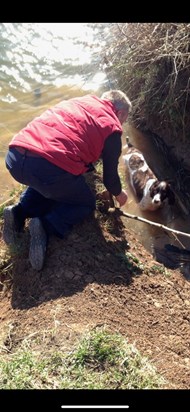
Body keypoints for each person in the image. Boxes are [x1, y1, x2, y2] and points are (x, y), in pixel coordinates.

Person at [3, 90, 131, 270]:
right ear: (121, 113)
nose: (122, 124)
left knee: (50, 181)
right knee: (85, 203)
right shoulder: (112, 127)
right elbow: (110, 179)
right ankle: (45, 225)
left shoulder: (80, 101)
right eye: (123, 120)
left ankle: (18, 213)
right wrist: (120, 194)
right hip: (46, 167)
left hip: (15, 157)